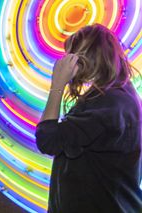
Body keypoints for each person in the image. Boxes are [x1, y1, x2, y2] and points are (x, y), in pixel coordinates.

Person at [35, 24, 142, 212]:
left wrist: (57, 85)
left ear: (90, 56)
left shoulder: (110, 105)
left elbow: (48, 139)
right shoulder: (118, 95)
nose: (68, 61)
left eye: (73, 56)